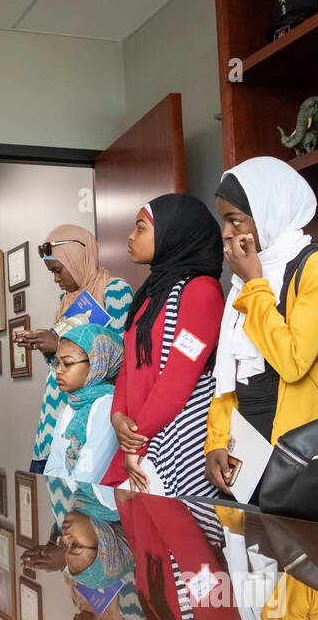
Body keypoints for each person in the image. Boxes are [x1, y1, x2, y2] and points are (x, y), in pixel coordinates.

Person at [205, 156, 318, 494]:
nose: (226, 233)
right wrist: (216, 441)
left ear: (269, 215)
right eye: (223, 221)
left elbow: (293, 361)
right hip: (246, 439)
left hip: (299, 442)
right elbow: (230, 372)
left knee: (296, 543)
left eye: (235, 220)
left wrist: (255, 283)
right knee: (248, 541)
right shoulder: (246, 276)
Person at [100, 194, 225, 495]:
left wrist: (137, 439)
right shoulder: (149, 295)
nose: (130, 236)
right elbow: (129, 365)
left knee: (173, 535)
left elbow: (178, 380)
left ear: (173, 234)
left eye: (140, 228)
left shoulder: (202, 292)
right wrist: (117, 418)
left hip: (175, 445)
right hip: (140, 441)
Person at [16, 225, 134, 474]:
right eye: (52, 273)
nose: (56, 279)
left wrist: (57, 342)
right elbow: (64, 361)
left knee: (82, 502)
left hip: (91, 419)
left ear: (78, 258)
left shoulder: (114, 290)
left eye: (58, 270)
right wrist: (47, 347)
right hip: (55, 411)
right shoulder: (65, 301)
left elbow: (120, 357)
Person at [41, 325, 123, 484]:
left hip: (96, 503)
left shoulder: (108, 406)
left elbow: (88, 476)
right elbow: (52, 470)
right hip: (72, 500)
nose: (59, 370)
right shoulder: (68, 409)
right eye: (57, 363)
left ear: (96, 364)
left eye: (68, 363)